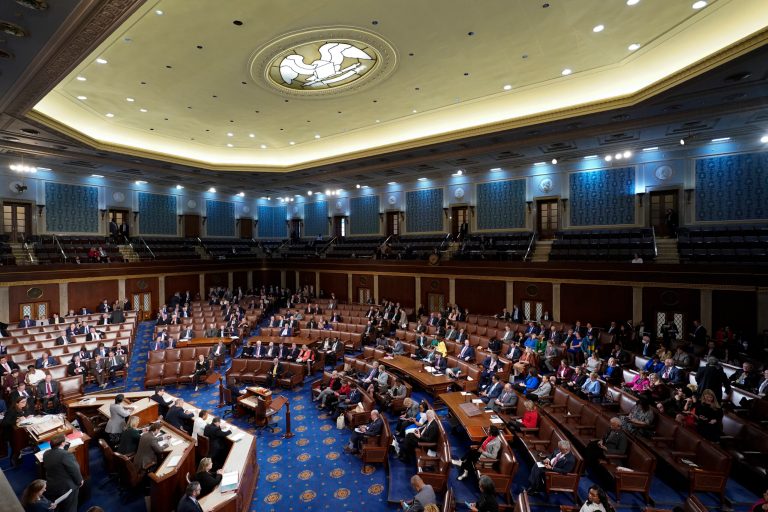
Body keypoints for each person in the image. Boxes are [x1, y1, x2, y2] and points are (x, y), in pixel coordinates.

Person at [43, 433, 83, 512]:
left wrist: (64, 450)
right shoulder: (66, 455)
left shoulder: (46, 453)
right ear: (62, 443)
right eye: (65, 441)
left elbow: (57, 457)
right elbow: (74, 470)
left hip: (52, 486)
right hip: (67, 488)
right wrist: (80, 481)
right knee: (70, 508)